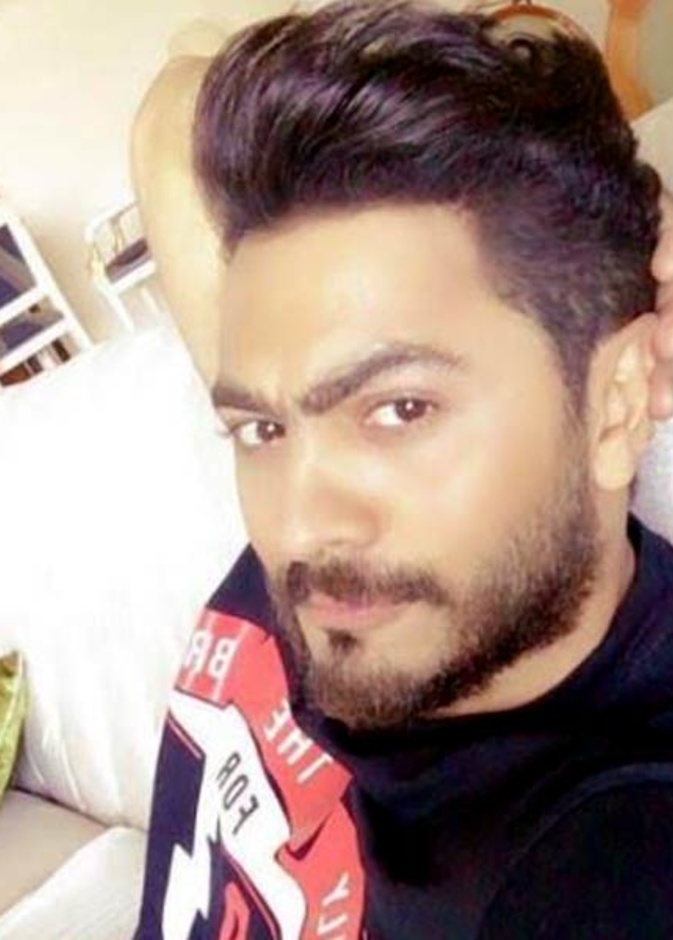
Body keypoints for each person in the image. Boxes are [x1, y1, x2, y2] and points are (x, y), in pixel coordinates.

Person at [134, 3, 673, 938]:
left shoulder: (615, 848)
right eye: (258, 429)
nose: (298, 529)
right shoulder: (379, 584)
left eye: (398, 410)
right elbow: (167, 111)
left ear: (620, 402)